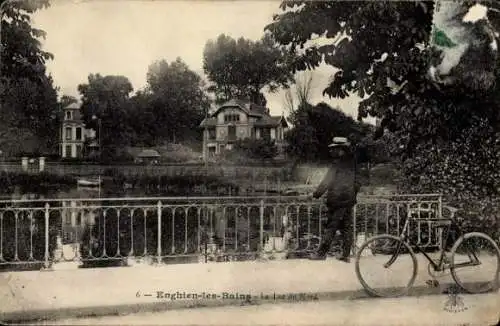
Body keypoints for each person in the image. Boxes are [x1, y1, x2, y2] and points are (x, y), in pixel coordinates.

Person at [309, 136, 361, 263]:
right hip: (349, 200)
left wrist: (316, 194)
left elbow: (326, 182)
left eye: (334, 149)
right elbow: (358, 182)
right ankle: (346, 255)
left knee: (331, 226)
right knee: (347, 227)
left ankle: (321, 253)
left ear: (341, 150)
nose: (332, 152)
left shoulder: (336, 164)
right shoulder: (353, 163)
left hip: (338, 201)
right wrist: (352, 194)